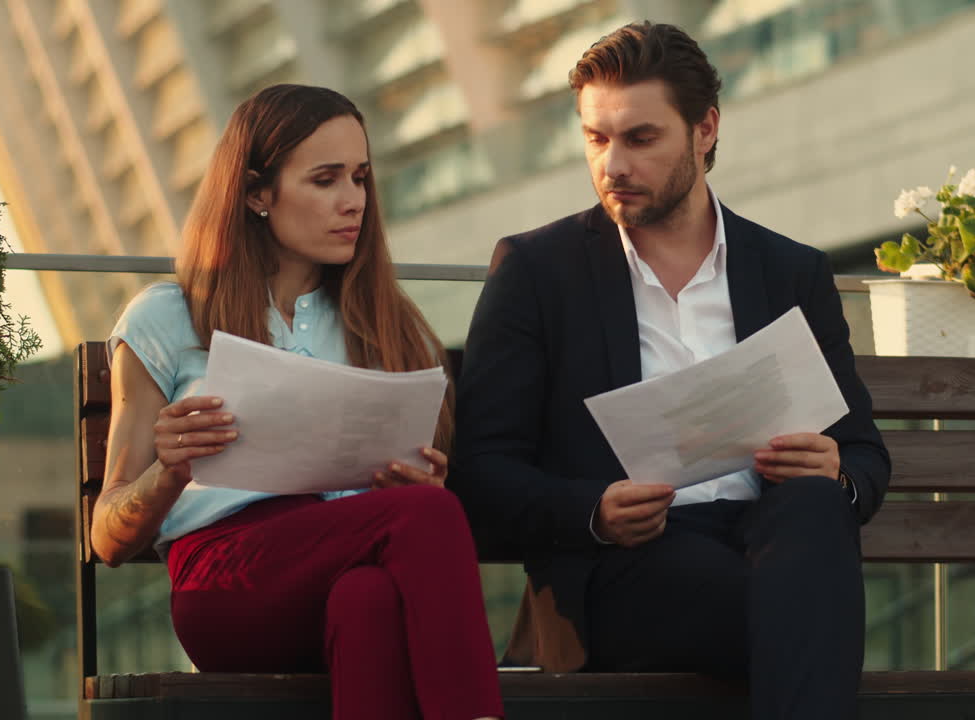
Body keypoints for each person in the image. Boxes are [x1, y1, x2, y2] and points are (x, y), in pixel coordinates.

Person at [450, 21, 890, 720]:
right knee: (801, 612)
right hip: (623, 566)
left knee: (810, 509)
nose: (612, 164)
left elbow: (865, 456)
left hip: (769, 540)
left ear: (704, 129)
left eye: (640, 138)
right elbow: (479, 475)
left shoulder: (789, 272)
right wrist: (592, 511)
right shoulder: (537, 272)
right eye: (596, 138)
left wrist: (834, 468)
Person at [92, 84, 503, 720]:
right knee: (424, 516)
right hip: (223, 580)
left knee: (368, 599)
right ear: (257, 193)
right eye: (325, 179)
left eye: (361, 178)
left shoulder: (392, 327)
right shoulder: (168, 317)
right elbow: (108, 536)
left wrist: (415, 477)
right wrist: (170, 468)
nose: (354, 201)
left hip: (348, 565)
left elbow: (400, 513)